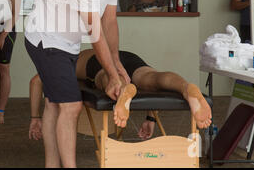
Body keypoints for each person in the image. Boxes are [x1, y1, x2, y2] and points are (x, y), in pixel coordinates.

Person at [24, 0, 141, 168]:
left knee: (53, 103)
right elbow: (95, 32)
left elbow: (109, 21)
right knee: (71, 106)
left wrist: (116, 62)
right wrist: (112, 75)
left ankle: (52, 167)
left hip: (68, 42)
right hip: (46, 38)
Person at [28, 49, 212, 142]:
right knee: (152, 79)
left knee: (108, 79)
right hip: (128, 57)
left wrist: (35, 117)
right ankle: (185, 87)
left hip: (97, 62)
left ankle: (124, 88)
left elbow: (36, 81)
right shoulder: (88, 50)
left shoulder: (72, 58)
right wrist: (150, 118)